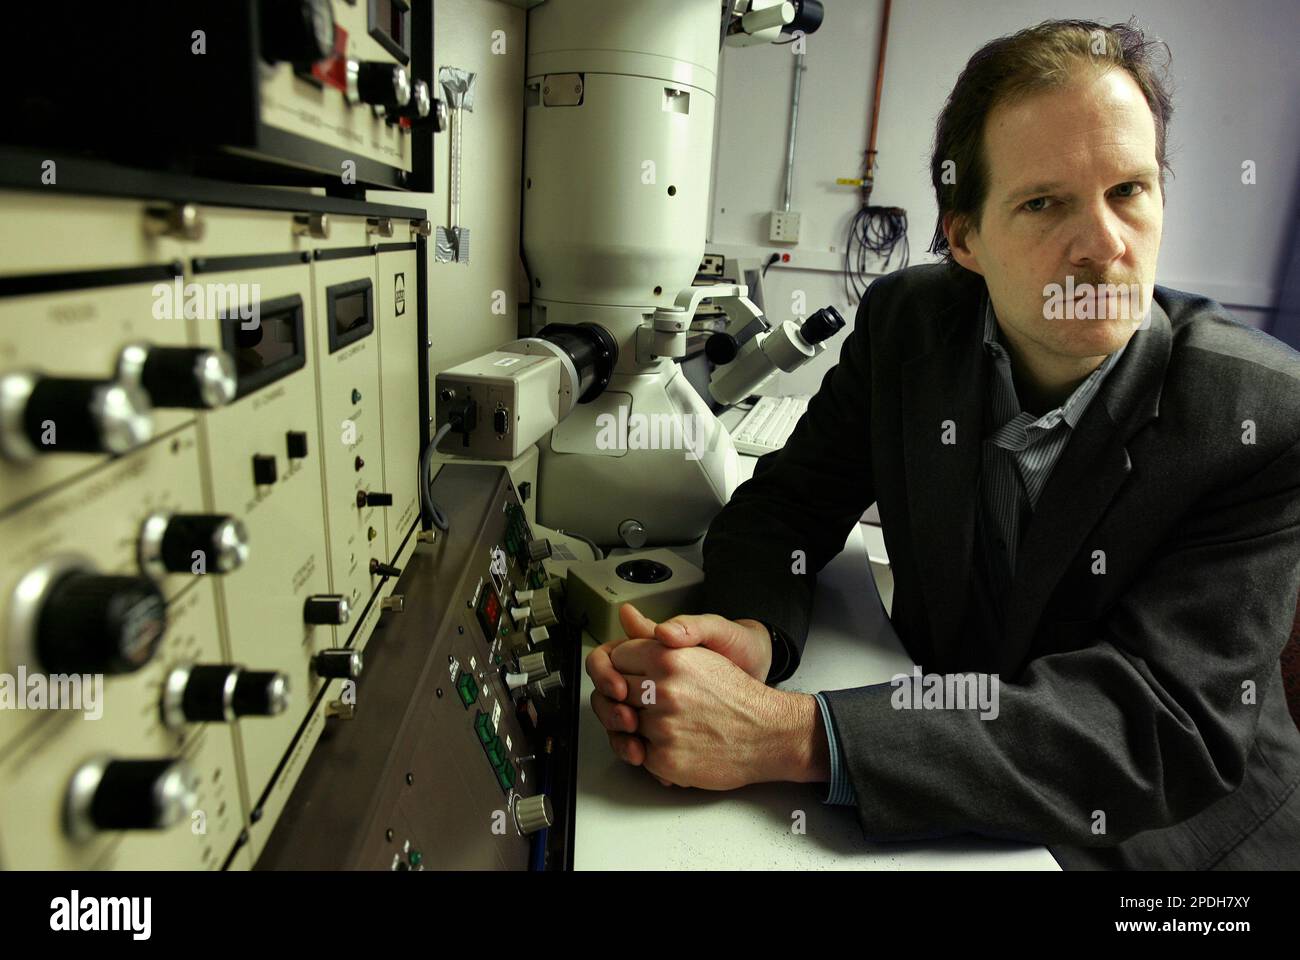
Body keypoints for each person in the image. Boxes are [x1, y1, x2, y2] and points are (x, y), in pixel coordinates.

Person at [584, 18, 1300, 869]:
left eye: (1129, 191)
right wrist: (754, 629)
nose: (1105, 245)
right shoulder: (909, 327)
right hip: (953, 805)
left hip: (1174, 845)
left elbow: (1158, 727)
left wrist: (795, 737)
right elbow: (788, 504)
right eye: (1045, 203)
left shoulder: (1256, 416)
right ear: (964, 238)